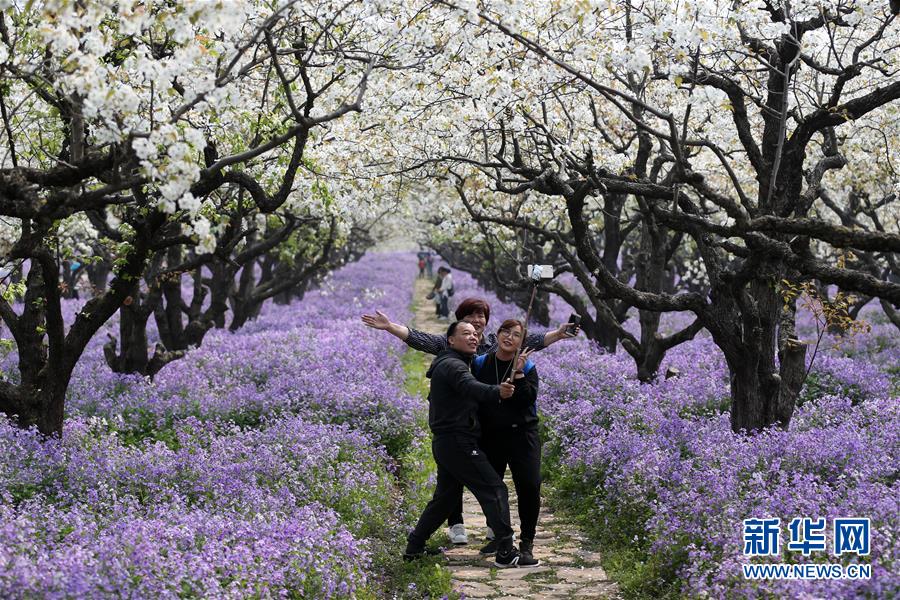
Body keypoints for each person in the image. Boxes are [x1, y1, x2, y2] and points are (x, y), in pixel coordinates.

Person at [362, 297, 580, 544]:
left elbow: (527, 341)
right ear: (457, 326)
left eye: (481, 317)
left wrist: (559, 334)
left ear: (487, 322)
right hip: (470, 427)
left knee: (469, 483)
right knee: (463, 481)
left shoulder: (490, 344)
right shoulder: (452, 347)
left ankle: (492, 532)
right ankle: (460, 526)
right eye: (469, 318)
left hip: (500, 428)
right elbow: (420, 338)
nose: (476, 323)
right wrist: (391, 327)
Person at [403, 321, 539, 568]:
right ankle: (506, 551)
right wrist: (497, 391)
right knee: (495, 489)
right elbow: (470, 386)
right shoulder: (453, 366)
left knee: (445, 499)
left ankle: (414, 548)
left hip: (449, 442)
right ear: (451, 341)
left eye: (475, 334)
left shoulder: (456, 362)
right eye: (466, 334)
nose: (474, 337)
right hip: (458, 441)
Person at [471, 319, 541, 562]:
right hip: (493, 435)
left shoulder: (528, 366)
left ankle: (527, 541)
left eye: (516, 335)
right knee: (493, 488)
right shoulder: (481, 363)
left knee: (529, 487)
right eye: (505, 332)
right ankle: (502, 539)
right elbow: (475, 394)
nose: (509, 337)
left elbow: (528, 400)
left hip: (523, 435)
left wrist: (519, 374)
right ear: (498, 334)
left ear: (522, 342)